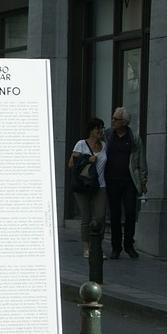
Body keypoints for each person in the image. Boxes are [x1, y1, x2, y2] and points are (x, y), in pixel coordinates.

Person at [105, 107, 147, 259]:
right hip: (112, 181)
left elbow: (142, 161)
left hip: (129, 182)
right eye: (113, 118)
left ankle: (129, 245)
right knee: (115, 215)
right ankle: (116, 248)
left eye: (116, 119)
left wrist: (143, 182)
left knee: (130, 213)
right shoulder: (108, 135)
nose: (113, 121)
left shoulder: (134, 138)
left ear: (124, 122)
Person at [68, 117, 108, 259]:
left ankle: (97, 247)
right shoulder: (81, 144)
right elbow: (71, 164)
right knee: (86, 217)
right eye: (98, 128)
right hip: (83, 185)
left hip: (100, 185)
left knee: (101, 217)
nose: (100, 131)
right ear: (91, 130)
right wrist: (87, 158)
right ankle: (86, 248)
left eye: (102, 128)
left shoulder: (104, 145)